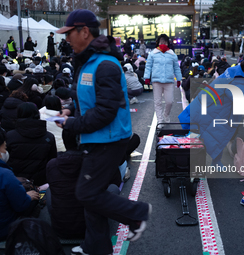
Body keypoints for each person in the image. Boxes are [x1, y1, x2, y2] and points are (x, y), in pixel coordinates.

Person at [56, 9, 151, 255]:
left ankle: (137, 213)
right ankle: (95, 246)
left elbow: (106, 111)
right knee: (92, 195)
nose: (66, 40)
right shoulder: (89, 62)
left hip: (108, 139)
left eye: (69, 34)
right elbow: (89, 103)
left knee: (86, 192)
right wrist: (71, 113)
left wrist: (73, 124)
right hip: (96, 136)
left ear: (84, 32)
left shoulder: (105, 64)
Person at [0, 127, 40, 241]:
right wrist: (28, 197)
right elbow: (20, 205)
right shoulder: (5, 174)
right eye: (4, 147)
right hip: (4, 229)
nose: (5, 151)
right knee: (34, 198)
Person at [6, 102, 57, 186]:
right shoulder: (49, 137)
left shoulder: (10, 136)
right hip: (40, 182)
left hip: (15, 181)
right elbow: (52, 160)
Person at [144, 34, 182, 124]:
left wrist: (179, 79)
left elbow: (176, 67)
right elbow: (148, 66)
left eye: (165, 41)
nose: (163, 43)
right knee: (157, 102)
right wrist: (147, 77)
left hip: (169, 81)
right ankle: (160, 121)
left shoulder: (172, 54)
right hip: (156, 81)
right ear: (158, 42)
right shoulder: (153, 53)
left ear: (168, 43)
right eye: (161, 41)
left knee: (170, 101)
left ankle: (166, 114)